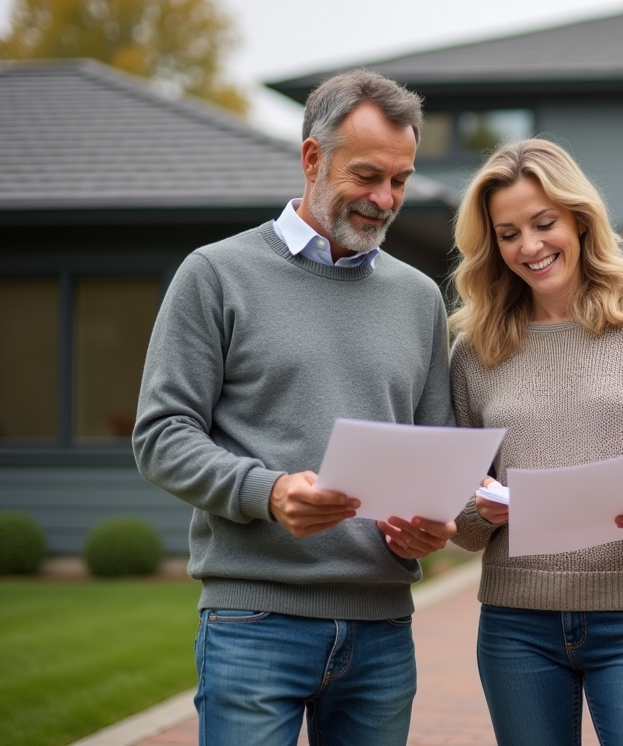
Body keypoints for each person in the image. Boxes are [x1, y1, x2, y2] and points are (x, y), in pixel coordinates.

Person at [133, 69, 457, 746]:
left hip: (382, 630)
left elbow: (437, 449)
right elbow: (162, 434)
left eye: (400, 180)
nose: (385, 198)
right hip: (255, 622)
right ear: (313, 157)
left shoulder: (419, 297)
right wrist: (269, 491)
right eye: (368, 175)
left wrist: (433, 523)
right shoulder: (216, 275)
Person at [447, 138, 623, 746]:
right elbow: (460, 509)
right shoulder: (473, 351)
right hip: (517, 626)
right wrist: (480, 509)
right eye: (508, 232)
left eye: (544, 223)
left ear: (579, 218)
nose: (530, 246)